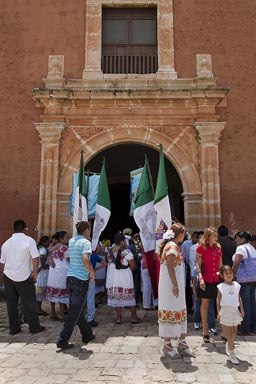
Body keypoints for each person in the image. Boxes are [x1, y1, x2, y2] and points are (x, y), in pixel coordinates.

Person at [0, 220, 45, 335]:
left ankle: (14, 328)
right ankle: (34, 327)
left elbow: (3, 262)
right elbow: (35, 257)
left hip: (9, 276)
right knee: (29, 302)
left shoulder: (6, 243)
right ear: (25, 228)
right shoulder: (29, 241)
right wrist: (35, 271)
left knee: (11, 303)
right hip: (25, 275)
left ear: (14, 229)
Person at [57, 221, 95, 350]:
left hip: (71, 278)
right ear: (86, 230)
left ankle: (87, 334)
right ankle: (63, 339)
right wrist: (92, 272)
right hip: (80, 279)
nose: (90, 232)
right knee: (74, 311)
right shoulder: (85, 243)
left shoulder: (72, 241)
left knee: (77, 309)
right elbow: (85, 259)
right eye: (89, 229)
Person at [158, 223, 193, 358]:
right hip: (170, 285)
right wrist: (175, 285)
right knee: (171, 308)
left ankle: (182, 341)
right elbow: (170, 267)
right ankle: (167, 344)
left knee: (179, 309)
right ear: (179, 234)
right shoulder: (171, 247)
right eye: (183, 233)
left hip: (175, 283)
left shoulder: (173, 246)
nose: (184, 236)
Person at [106, 232, 140, 324]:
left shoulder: (109, 251)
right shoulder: (126, 252)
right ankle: (134, 317)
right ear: (121, 241)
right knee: (129, 297)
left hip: (113, 277)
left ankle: (118, 318)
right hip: (124, 276)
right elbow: (133, 266)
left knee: (117, 298)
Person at [196, 228, 222, 342]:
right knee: (205, 304)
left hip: (216, 278)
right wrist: (200, 278)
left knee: (219, 303)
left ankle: (222, 329)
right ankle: (205, 330)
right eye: (214, 236)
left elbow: (220, 264)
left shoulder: (218, 248)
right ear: (208, 237)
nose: (216, 238)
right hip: (206, 279)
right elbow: (198, 265)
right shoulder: (200, 248)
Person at [217, 265, 244, 365]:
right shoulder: (221, 287)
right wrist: (219, 311)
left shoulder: (237, 285)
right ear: (222, 275)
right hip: (225, 310)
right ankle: (232, 353)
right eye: (226, 274)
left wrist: (241, 309)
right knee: (230, 333)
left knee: (234, 331)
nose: (229, 275)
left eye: (230, 273)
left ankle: (229, 345)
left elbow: (238, 297)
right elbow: (218, 299)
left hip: (235, 310)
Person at [232, 231, 256, 335]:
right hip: (252, 278)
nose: (236, 241)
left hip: (243, 279)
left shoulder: (241, 248)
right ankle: (253, 327)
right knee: (252, 303)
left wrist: (232, 274)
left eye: (237, 238)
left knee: (245, 304)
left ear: (242, 239)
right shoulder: (252, 248)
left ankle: (245, 329)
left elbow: (237, 262)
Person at [46, 231, 70, 320]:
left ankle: (53, 312)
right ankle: (62, 314)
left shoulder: (52, 247)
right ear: (61, 238)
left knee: (54, 291)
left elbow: (50, 257)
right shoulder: (64, 248)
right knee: (61, 291)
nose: (68, 239)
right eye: (66, 237)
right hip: (62, 270)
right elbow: (69, 258)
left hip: (53, 271)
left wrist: (51, 261)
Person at [86, 245, 107, 327]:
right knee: (90, 297)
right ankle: (90, 318)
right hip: (90, 276)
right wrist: (95, 269)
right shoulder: (94, 256)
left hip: (81, 276)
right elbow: (104, 263)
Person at [191, 266, 216, 332]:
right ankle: (196, 321)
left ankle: (211, 326)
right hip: (198, 290)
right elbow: (194, 282)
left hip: (209, 289)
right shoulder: (195, 269)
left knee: (210, 309)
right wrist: (195, 293)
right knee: (197, 307)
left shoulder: (211, 267)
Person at [36, 235, 51, 316]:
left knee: (39, 291)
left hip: (39, 272)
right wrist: (43, 265)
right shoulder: (43, 249)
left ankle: (37, 308)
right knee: (40, 291)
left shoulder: (39, 248)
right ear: (44, 242)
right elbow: (42, 257)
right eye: (48, 241)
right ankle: (38, 309)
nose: (49, 242)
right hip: (41, 273)